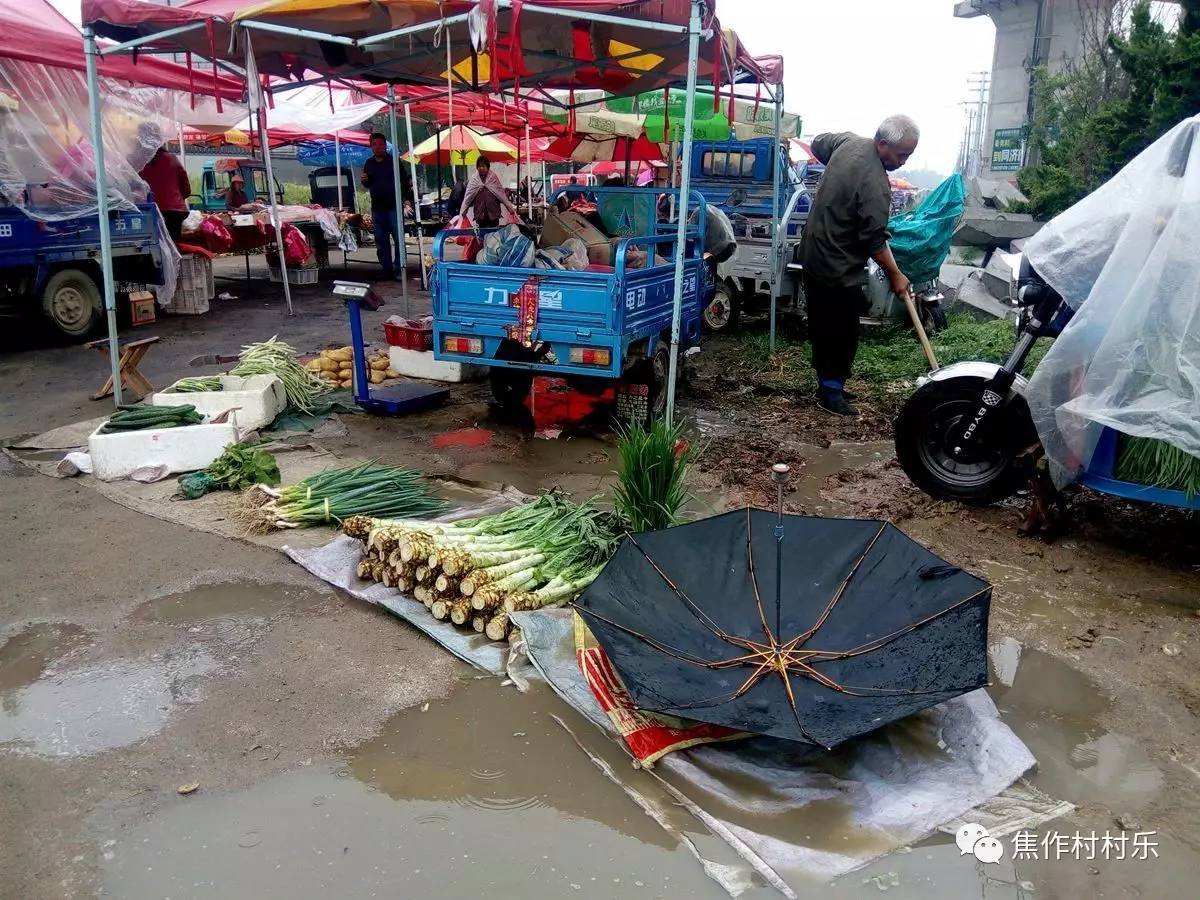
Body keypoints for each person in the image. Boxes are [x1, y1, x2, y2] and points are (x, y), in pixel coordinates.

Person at [799, 114, 919, 417]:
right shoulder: (876, 184)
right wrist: (896, 275)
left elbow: (817, 143)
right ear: (882, 144)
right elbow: (874, 241)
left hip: (812, 251)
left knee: (824, 323)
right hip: (835, 265)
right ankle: (830, 392)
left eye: (909, 155)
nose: (903, 161)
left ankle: (830, 384)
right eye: (902, 154)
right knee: (842, 330)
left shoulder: (846, 142)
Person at [360, 132, 413, 281]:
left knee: (398, 239)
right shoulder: (369, 163)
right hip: (377, 208)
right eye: (375, 144)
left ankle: (399, 269)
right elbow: (367, 183)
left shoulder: (394, 162)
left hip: (394, 207)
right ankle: (386, 269)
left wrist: (407, 200)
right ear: (371, 147)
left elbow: (405, 182)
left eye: (381, 144)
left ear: (385, 146)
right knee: (381, 241)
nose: (378, 147)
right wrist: (364, 181)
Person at [138, 144, 190, 242]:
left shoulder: (138, 161)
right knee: (173, 245)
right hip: (175, 211)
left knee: (152, 245)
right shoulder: (172, 158)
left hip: (149, 210)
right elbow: (186, 188)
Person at [459, 155, 518, 228]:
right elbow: (468, 197)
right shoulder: (474, 179)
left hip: (493, 214)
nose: (481, 168)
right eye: (479, 166)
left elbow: (501, 195)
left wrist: (509, 208)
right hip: (480, 215)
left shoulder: (493, 177)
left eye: (483, 166)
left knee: (494, 235)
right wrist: (464, 210)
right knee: (482, 236)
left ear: (488, 167)